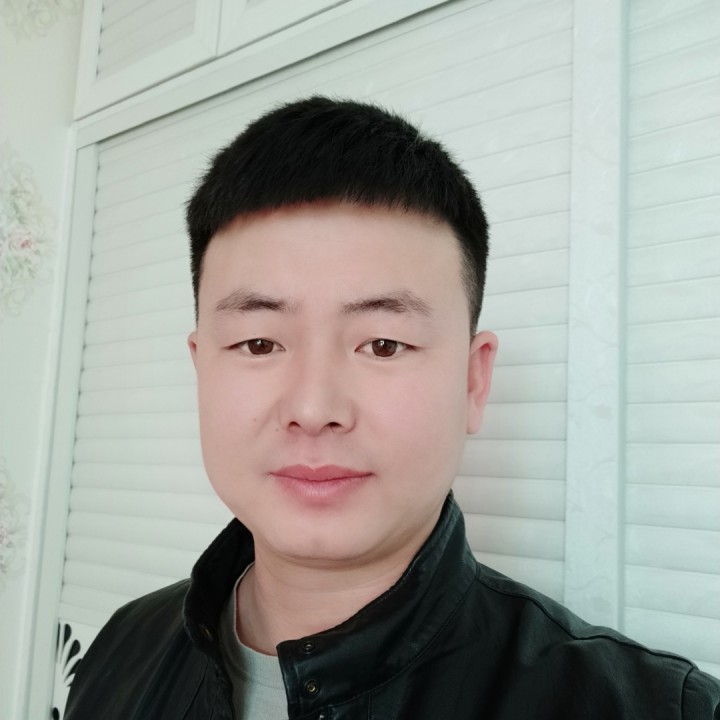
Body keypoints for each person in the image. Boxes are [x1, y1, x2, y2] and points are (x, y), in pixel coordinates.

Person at [64, 96, 719, 719]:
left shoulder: (657, 708)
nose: (313, 408)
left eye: (383, 344)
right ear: (200, 367)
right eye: (259, 343)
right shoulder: (123, 647)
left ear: (473, 381)